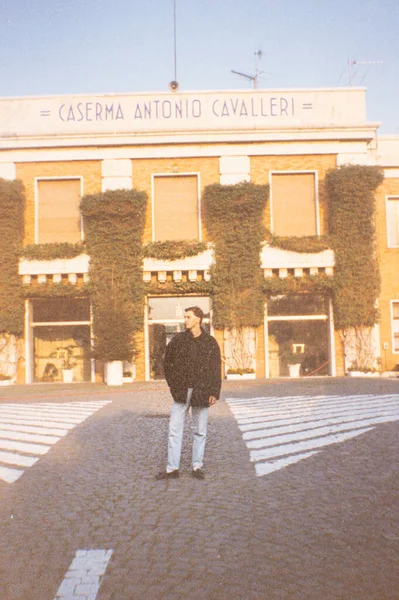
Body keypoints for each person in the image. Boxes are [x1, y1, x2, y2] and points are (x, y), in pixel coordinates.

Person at [156, 306, 222, 480]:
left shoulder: (210, 342)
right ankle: (172, 469)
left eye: (188, 317)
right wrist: (173, 386)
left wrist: (214, 392)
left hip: (202, 391)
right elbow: (167, 363)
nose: (185, 320)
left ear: (198, 319)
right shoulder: (178, 341)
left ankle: (197, 466)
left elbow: (216, 369)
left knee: (200, 430)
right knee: (174, 430)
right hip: (181, 392)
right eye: (185, 317)